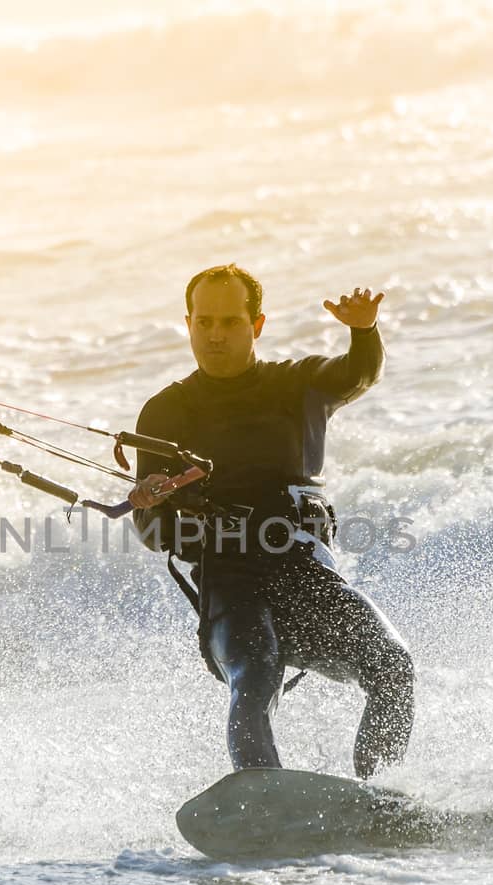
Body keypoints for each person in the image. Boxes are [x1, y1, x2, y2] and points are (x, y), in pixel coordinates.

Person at [128, 264, 413, 780]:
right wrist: (152, 506)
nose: (215, 335)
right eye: (204, 322)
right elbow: (153, 535)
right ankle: (262, 802)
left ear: (257, 325)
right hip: (228, 583)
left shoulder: (297, 386)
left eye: (231, 322)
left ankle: (382, 794)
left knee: (392, 665)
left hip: (304, 570)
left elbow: (357, 373)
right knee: (256, 677)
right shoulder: (164, 413)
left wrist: (364, 330)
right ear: (187, 322)